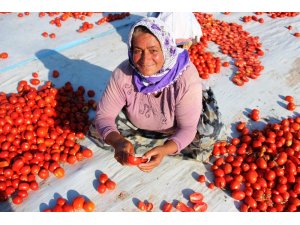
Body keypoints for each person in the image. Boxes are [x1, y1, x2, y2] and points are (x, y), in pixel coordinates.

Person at [89, 17, 223, 172]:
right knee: (100, 131)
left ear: (166, 49)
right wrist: (118, 142)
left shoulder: (185, 78)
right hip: (142, 123)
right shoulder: (123, 74)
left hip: (178, 125)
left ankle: (167, 145)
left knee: (208, 133)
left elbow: (187, 128)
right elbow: (104, 117)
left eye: (153, 50)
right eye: (138, 51)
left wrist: (165, 150)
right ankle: (156, 143)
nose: (145, 60)